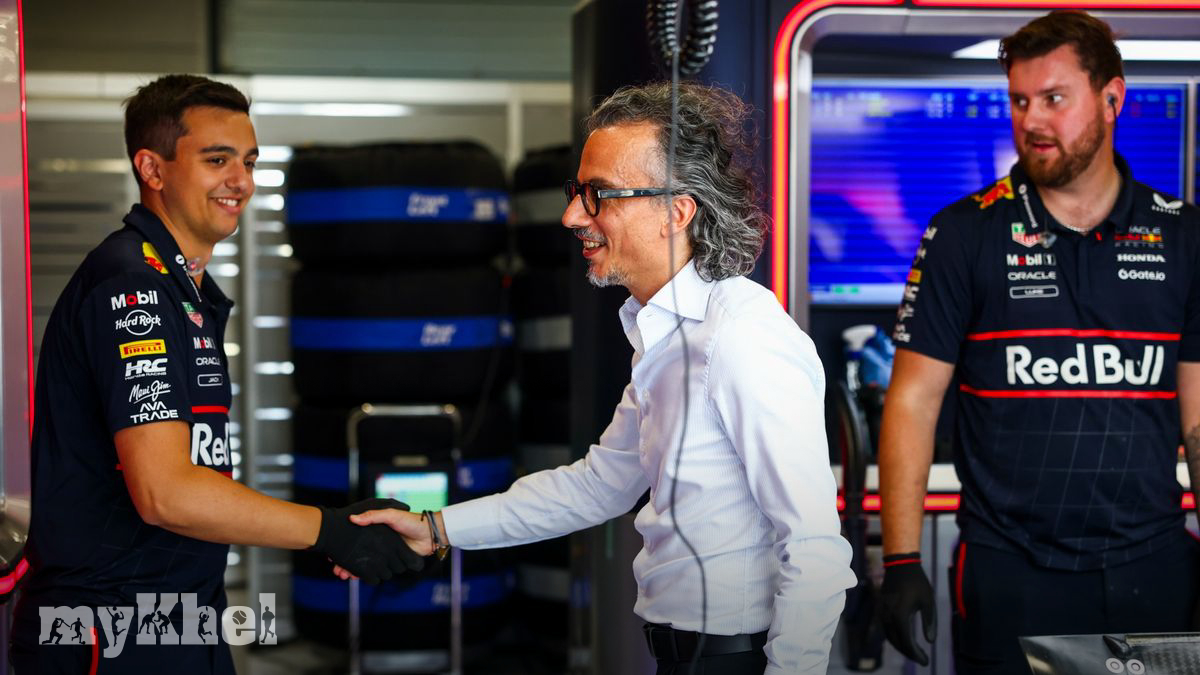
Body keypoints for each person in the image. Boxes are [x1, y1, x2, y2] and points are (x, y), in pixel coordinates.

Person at [339, 82, 855, 675]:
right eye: (575, 193)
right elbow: (599, 486)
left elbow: (813, 544)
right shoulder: (664, 335)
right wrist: (435, 528)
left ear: (676, 212)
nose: (571, 216)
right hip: (684, 655)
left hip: (736, 659)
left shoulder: (741, 337)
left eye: (598, 195)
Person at [11, 74, 422, 674]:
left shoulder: (184, 289)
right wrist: (328, 531)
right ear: (152, 169)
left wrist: (335, 527)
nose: (242, 181)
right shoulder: (132, 285)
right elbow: (166, 492)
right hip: (106, 625)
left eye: (248, 161)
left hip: (182, 615)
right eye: (217, 160)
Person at [878, 10, 1200, 674]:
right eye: (1020, 101)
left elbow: (1199, 420)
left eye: (1054, 98)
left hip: (1154, 566)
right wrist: (902, 558)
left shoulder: (1184, 235)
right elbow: (912, 400)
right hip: (1009, 572)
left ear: (1112, 99)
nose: (1032, 120)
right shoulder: (964, 233)